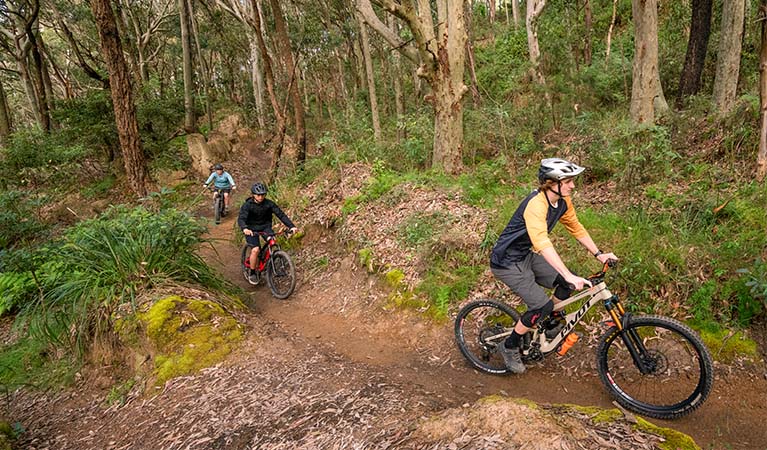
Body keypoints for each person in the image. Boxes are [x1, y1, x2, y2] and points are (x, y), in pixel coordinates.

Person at [489, 158, 618, 374]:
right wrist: (567, 273)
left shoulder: (563, 202)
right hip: (507, 262)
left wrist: (599, 254)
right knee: (541, 305)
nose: (573, 186)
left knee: (564, 285)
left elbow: (576, 228)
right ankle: (509, 345)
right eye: (567, 181)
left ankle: (550, 324)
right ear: (551, 183)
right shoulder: (536, 205)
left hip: (524, 255)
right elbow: (542, 243)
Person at [238, 182, 298, 284]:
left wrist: (291, 226)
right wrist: (244, 228)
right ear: (253, 195)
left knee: (273, 242)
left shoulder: (269, 204)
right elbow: (241, 218)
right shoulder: (247, 205)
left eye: (263, 194)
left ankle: (270, 262)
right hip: (251, 229)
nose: (260, 197)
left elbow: (281, 215)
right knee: (256, 250)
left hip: (265, 227)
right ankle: (252, 272)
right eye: (258, 195)